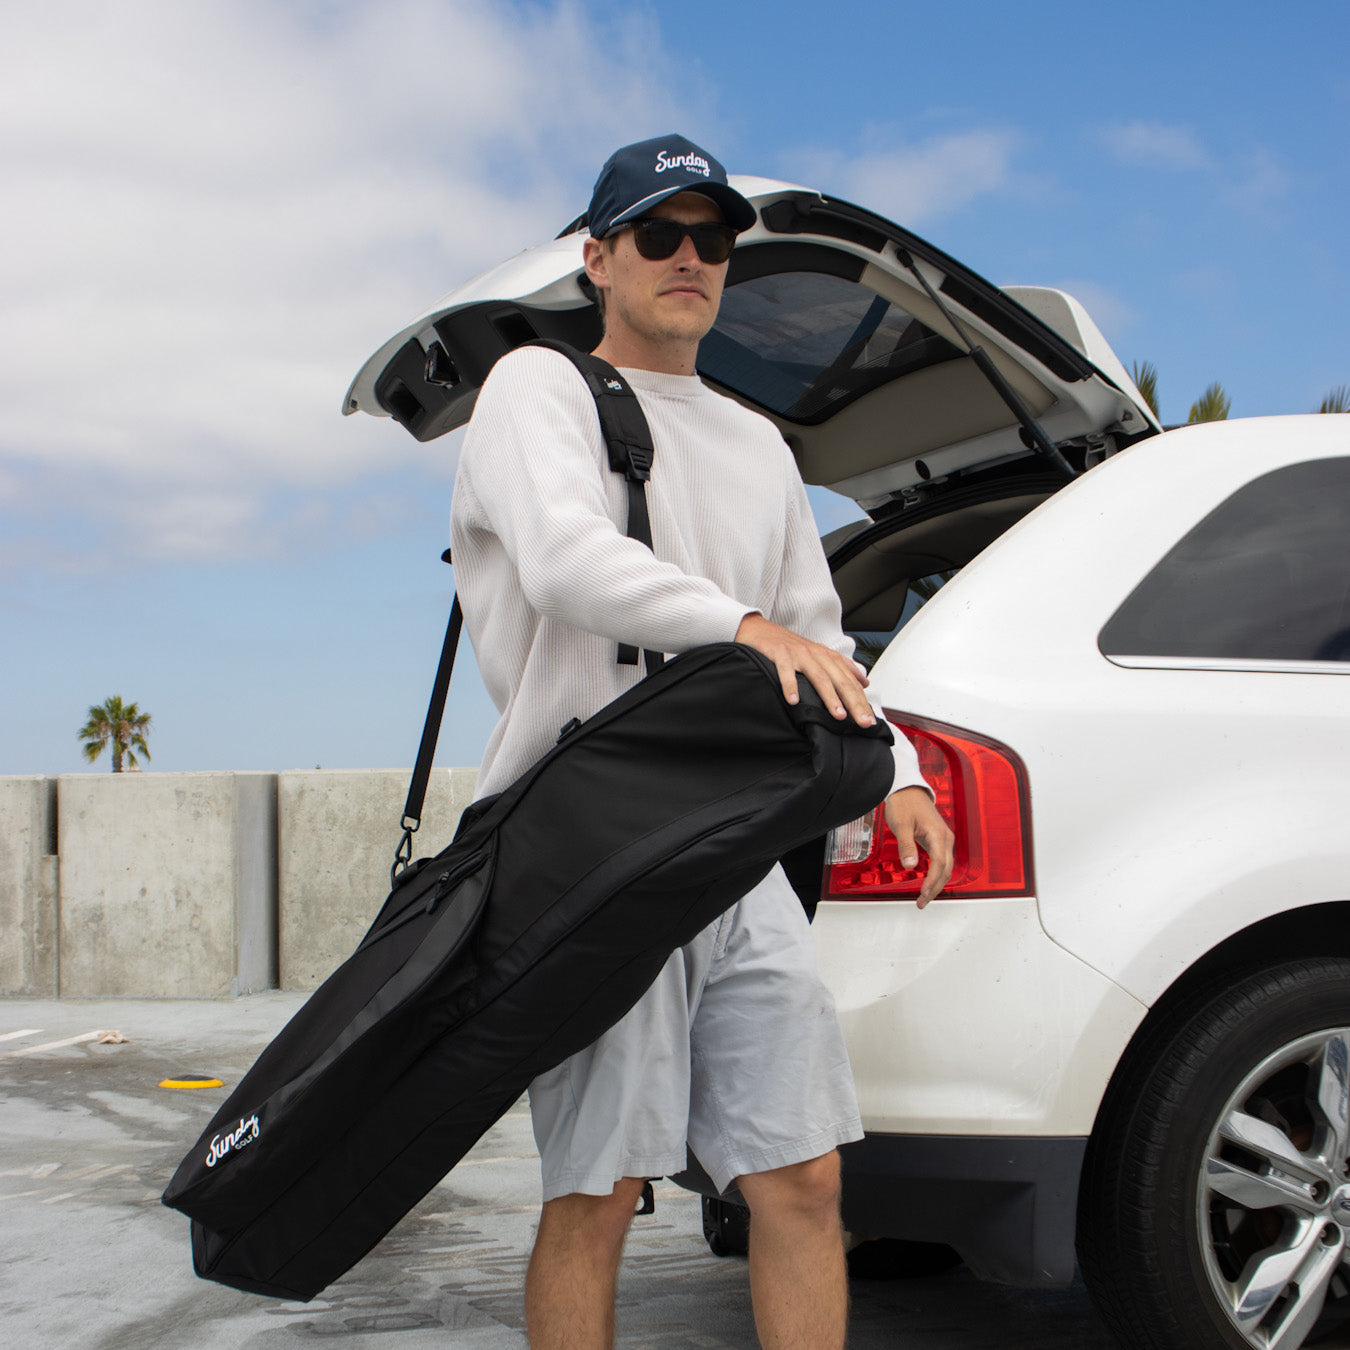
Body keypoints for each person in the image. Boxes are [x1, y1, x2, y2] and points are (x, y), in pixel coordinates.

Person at [449, 134, 954, 1350]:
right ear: (599, 259)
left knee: (805, 1179)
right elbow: (570, 561)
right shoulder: (539, 390)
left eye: (713, 239)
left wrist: (899, 771)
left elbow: (820, 637)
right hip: (588, 846)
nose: (691, 258)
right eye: (660, 235)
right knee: (600, 1194)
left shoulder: (757, 444)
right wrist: (738, 629)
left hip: (730, 848)